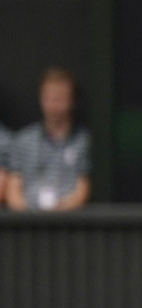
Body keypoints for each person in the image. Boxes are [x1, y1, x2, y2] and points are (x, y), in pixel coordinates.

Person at [5, 66, 91, 212]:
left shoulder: (83, 142)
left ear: (72, 100)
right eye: (48, 98)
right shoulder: (23, 140)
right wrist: (31, 216)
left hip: (69, 219)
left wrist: (57, 212)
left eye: (60, 99)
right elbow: (13, 191)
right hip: (27, 220)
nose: (53, 105)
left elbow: (82, 190)